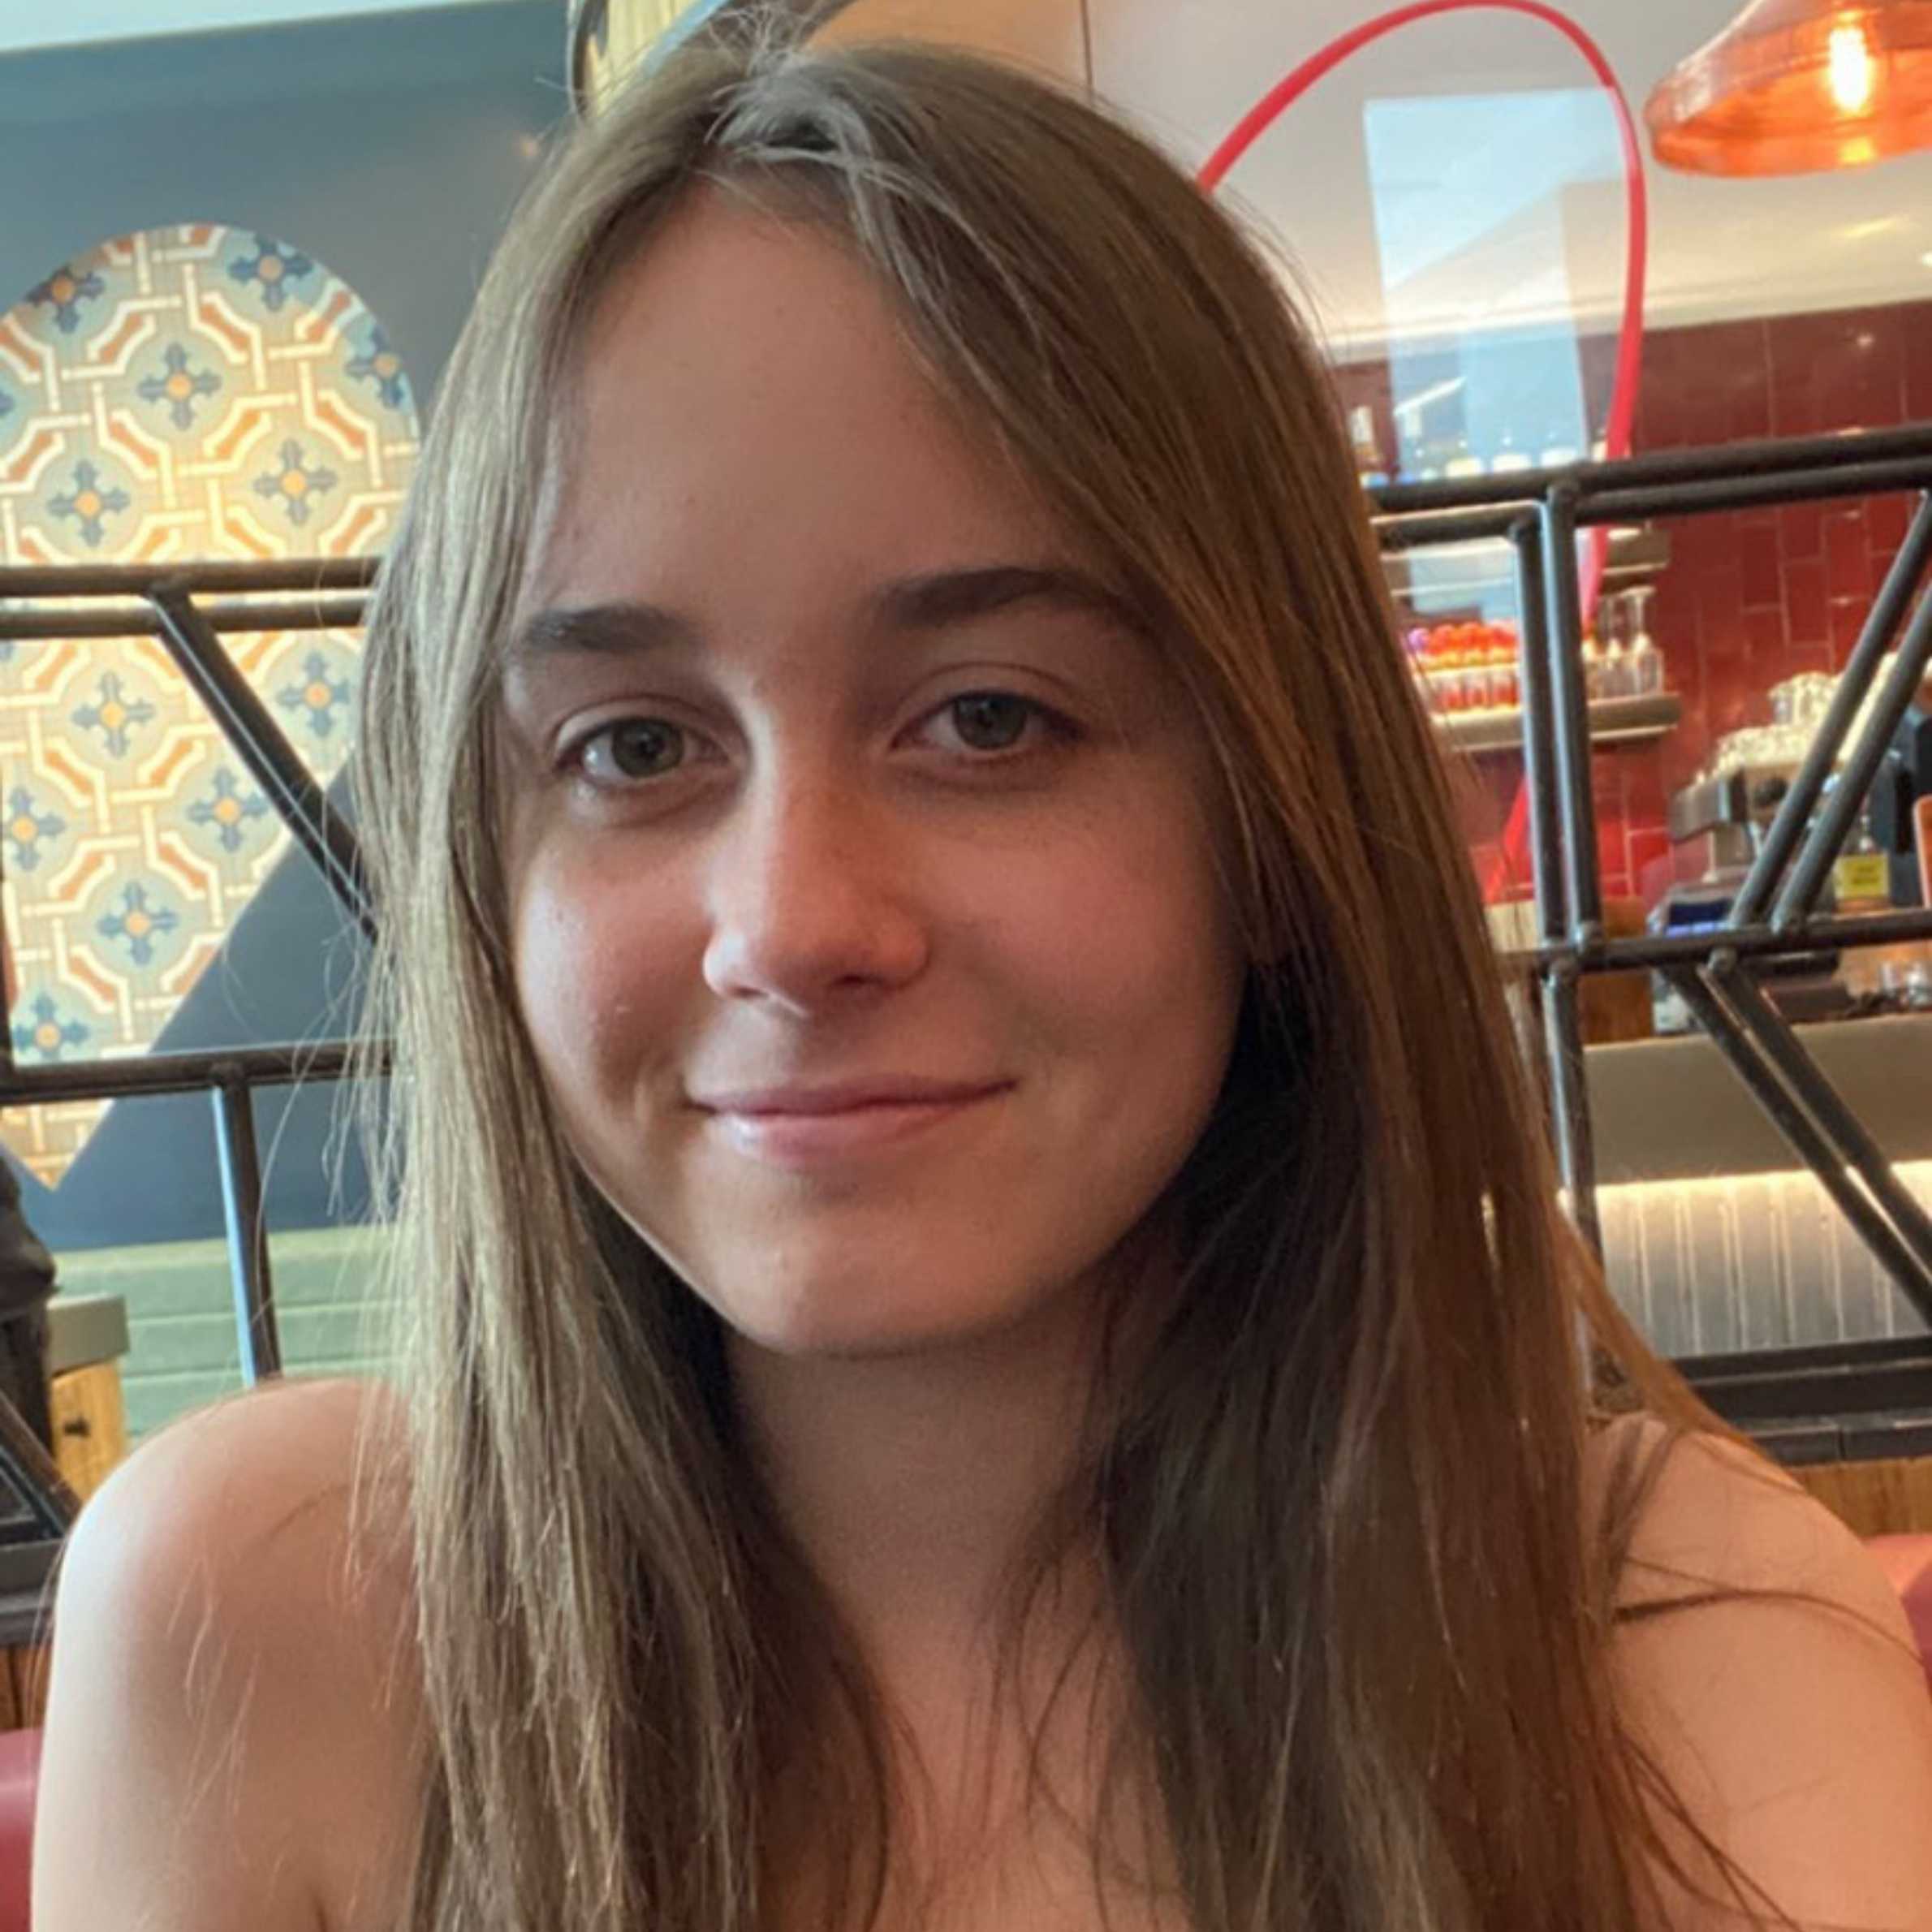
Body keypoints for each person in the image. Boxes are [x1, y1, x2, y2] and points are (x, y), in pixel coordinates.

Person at [30, 19, 1932, 1932]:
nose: (787, 920)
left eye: (991, 717)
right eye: (629, 745)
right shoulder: (251, 1617)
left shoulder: (1686, 1648)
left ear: (1275, 819)